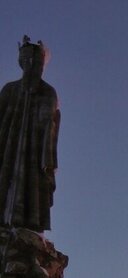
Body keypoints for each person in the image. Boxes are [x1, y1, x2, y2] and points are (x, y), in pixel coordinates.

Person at [0, 36, 59, 232]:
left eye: (36, 62)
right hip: (8, 148)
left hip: (34, 155)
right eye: (27, 60)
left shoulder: (48, 93)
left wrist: (48, 161)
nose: (31, 65)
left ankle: (28, 230)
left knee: (32, 187)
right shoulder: (9, 90)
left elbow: (50, 129)